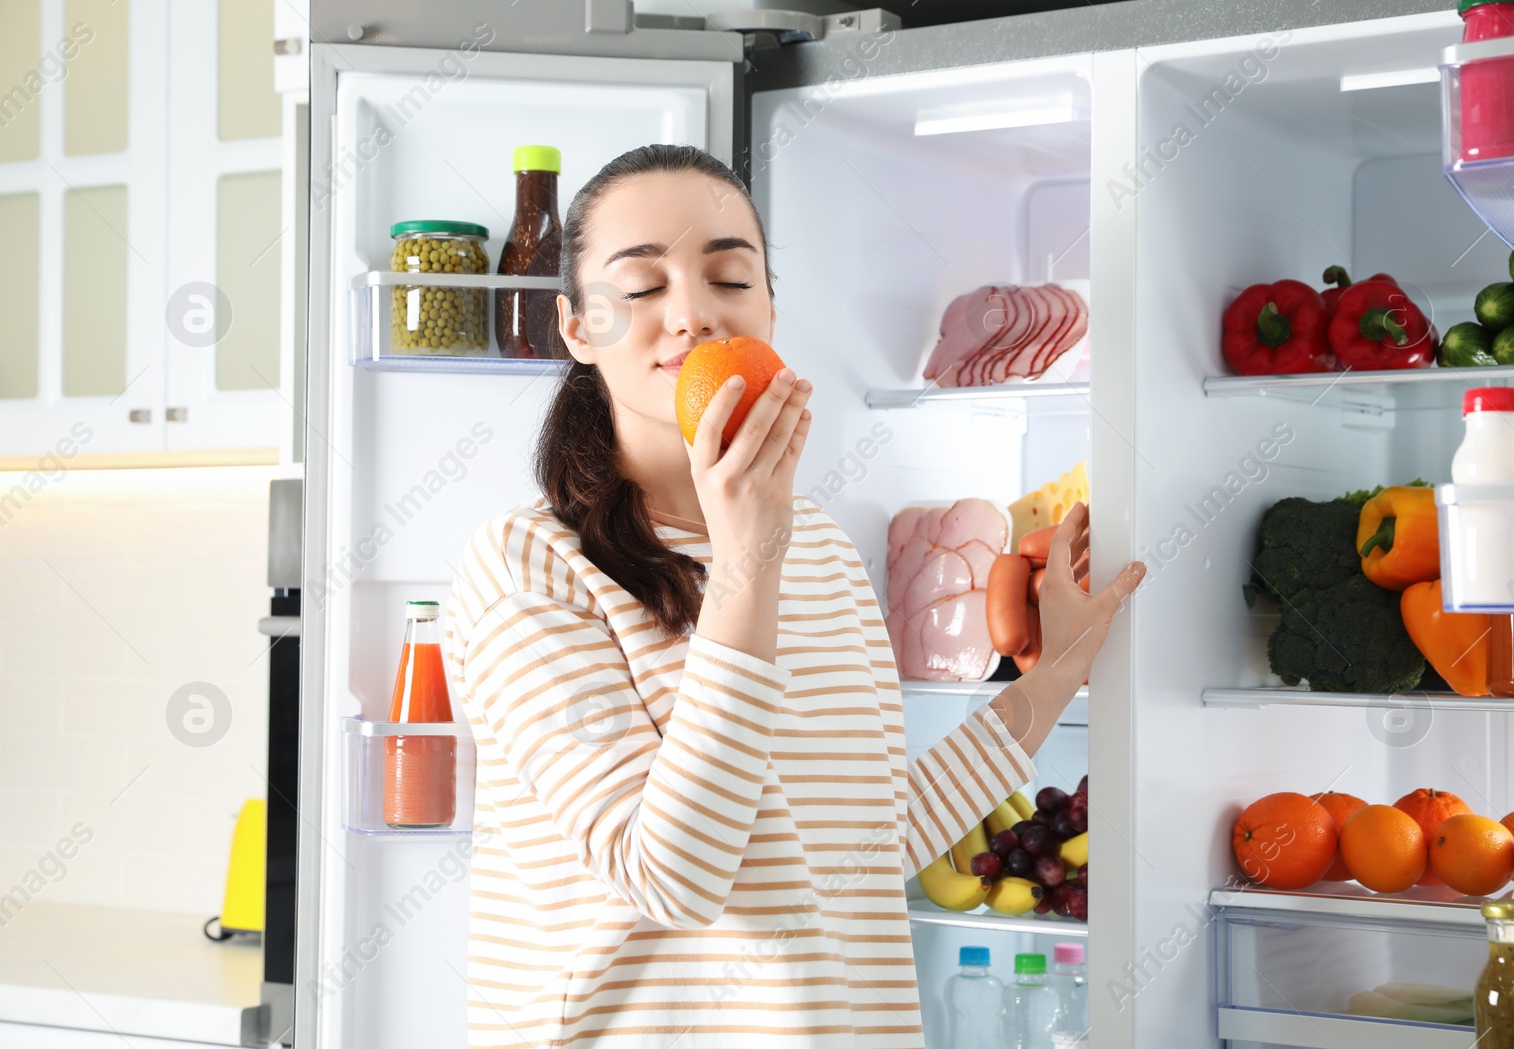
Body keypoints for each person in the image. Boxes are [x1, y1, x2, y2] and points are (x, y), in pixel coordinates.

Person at [442, 143, 1144, 1049]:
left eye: (730, 276)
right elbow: (676, 878)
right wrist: (746, 559)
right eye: (643, 287)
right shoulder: (526, 566)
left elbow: (865, 844)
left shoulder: (814, 545)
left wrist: (1057, 670)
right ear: (577, 329)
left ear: (769, 306)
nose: (692, 314)